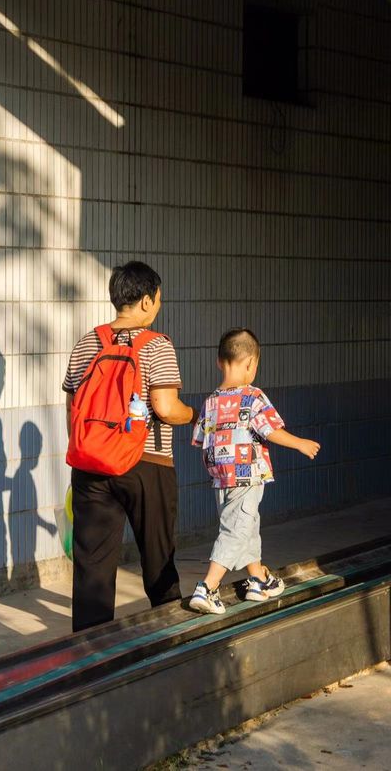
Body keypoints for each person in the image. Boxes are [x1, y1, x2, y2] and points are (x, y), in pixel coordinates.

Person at [63, 261, 198, 632]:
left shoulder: (86, 343)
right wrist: (194, 414)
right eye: (158, 299)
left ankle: (90, 650)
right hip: (146, 462)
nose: (158, 306)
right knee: (157, 556)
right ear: (145, 301)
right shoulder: (157, 345)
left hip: (91, 465)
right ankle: (170, 636)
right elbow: (166, 409)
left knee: (92, 564)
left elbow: (73, 408)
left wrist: (87, 450)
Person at [189, 328, 320, 615]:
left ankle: (258, 579)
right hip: (247, 474)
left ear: (218, 362)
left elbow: (199, 439)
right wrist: (299, 443)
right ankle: (207, 587)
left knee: (246, 524)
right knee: (236, 529)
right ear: (251, 363)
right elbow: (270, 430)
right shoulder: (252, 396)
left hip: (221, 477)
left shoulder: (210, 401)